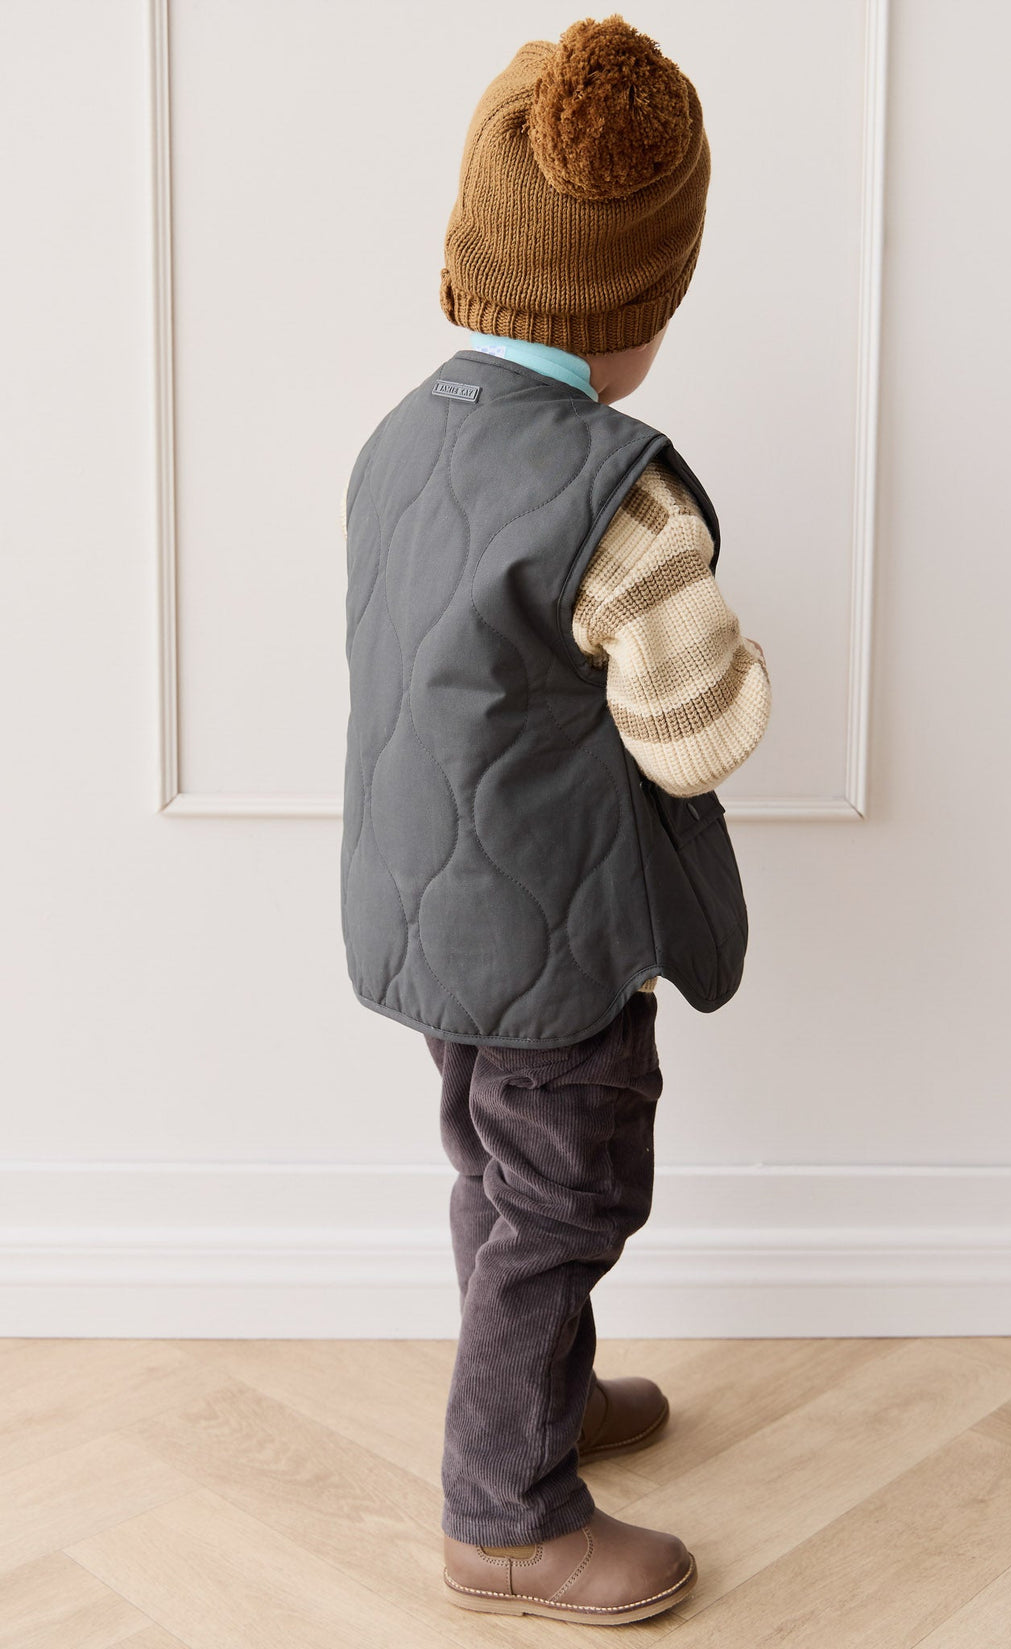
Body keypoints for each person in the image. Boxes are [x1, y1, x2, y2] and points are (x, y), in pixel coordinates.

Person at [340, 12, 771, 1626]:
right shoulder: (621, 499)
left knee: (494, 1174)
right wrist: (745, 662)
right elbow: (695, 732)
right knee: (572, 1195)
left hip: (425, 913)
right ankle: (503, 1511)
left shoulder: (399, 442)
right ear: (645, 302)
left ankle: (543, 1393)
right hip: (554, 935)